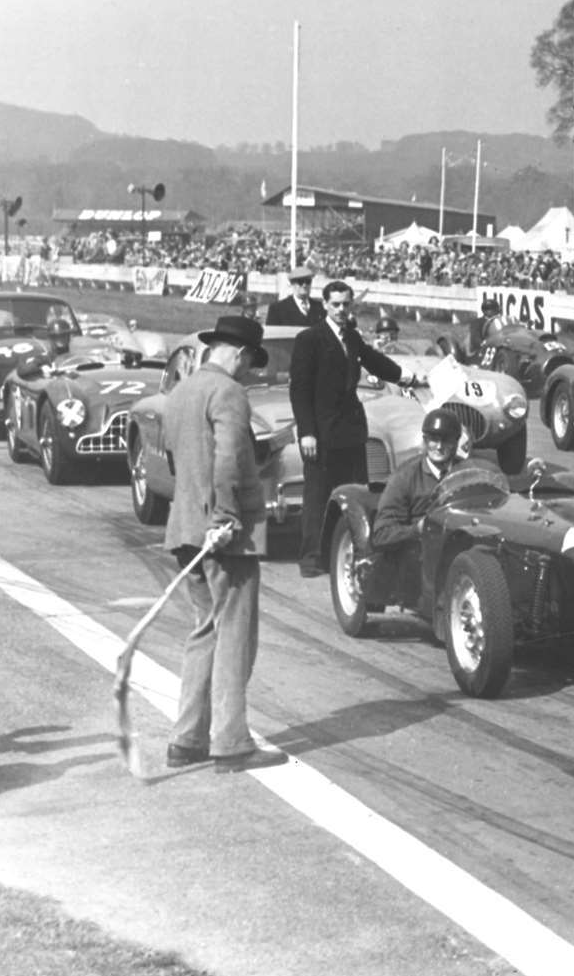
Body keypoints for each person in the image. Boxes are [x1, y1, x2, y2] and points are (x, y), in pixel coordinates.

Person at [163, 314, 285, 772]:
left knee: (205, 632)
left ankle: (186, 738)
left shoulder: (182, 391)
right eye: (251, 362)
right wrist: (227, 516)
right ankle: (230, 743)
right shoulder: (228, 392)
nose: (250, 372)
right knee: (234, 637)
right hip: (223, 534)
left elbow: (183, 459)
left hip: (185, 529)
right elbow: (229, 459)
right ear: (238, 354)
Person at [290, 279, 408, 576]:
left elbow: (375, 362)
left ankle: (354, 552)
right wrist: (306, 431)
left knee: (356, 493)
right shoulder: (310, 339)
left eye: (346, 304)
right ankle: (311, 558)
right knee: (318, 497)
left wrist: (406, 376)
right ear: (326, 305)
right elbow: (300, 390)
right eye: (336, 305)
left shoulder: (352, 337)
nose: (342, 310)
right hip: (320, 434)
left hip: (352, 433)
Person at [365, 405, 469, 623]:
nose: (439, 446)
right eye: (433, 439)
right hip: (420, 556)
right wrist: (417, 530)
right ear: (424, 440)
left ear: (457, 442)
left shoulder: (467, 471)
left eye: (447, 440)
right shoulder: (405, 477)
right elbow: (382, 534)